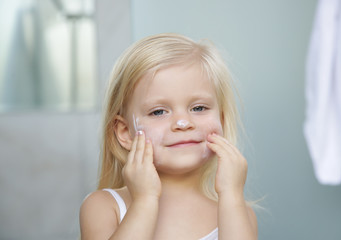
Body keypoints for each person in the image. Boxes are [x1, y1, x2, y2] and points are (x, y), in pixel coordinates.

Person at [79, 33, 258, 240]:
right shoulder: (104, 207)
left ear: (222, 121)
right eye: (158, 112)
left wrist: (232, 195)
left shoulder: (238, 213)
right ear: (125, 133)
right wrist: (144, 202)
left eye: (199, 108)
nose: (183, 123)